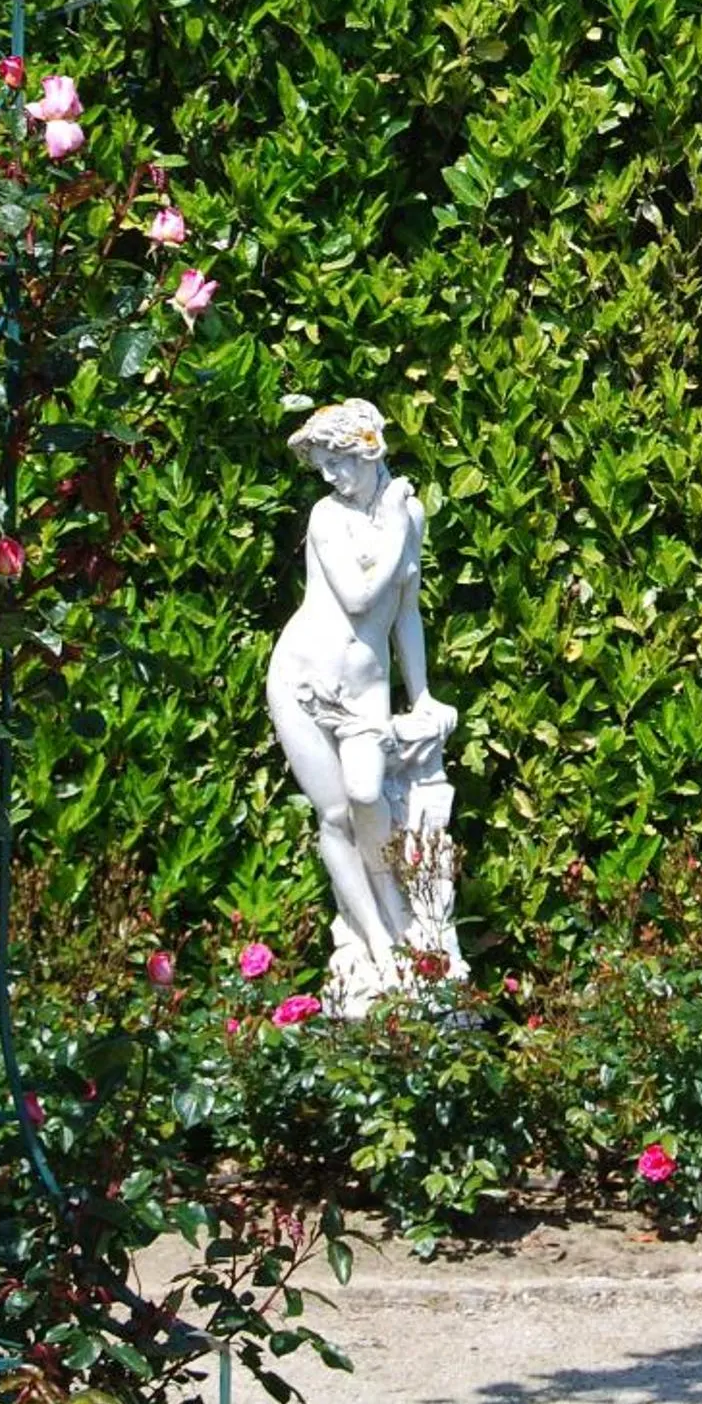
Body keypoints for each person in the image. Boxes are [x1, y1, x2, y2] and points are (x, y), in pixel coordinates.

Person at [266, 398, 457, 1001]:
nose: (330, 475)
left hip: (366, 690)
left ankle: (400, 913)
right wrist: (397, 523)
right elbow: (356, 594)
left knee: (367, 794)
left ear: (369, 450)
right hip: (301, 679)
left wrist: (421, 694)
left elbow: (405, 611)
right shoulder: (328, 517)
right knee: (335, 815)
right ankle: (377, 941)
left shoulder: (411, 514)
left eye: (339, 461)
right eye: (323, 463)